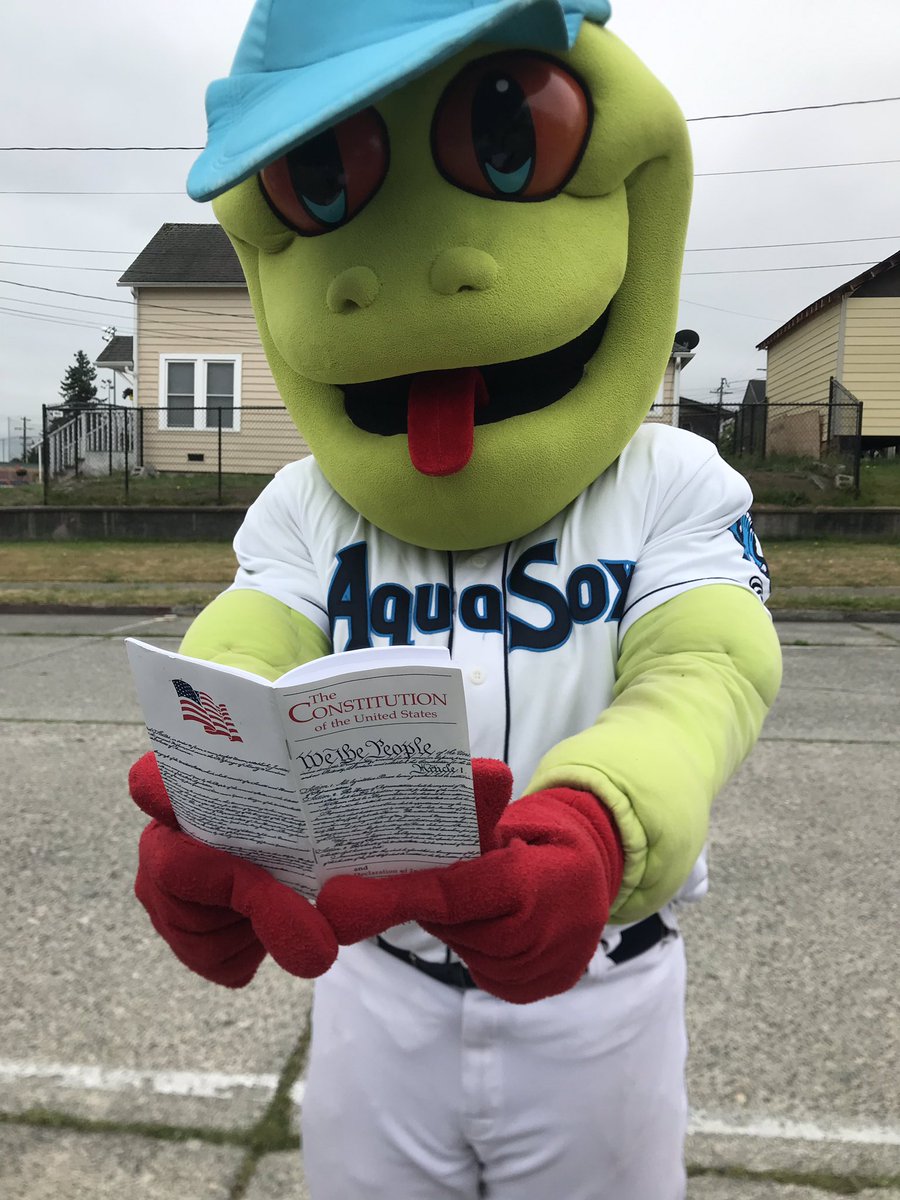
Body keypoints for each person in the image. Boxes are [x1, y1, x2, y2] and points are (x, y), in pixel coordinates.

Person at [129, 2, 783, 1196]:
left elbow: (705, 670)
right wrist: (205, 800)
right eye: (318, 175)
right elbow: (249, 645)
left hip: (599, 993)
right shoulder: (306, 504)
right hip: (377, 991)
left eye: (508, 132)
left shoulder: (672, 480)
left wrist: (598, 820)